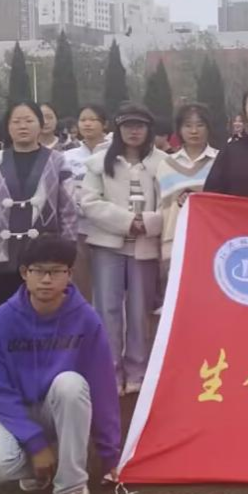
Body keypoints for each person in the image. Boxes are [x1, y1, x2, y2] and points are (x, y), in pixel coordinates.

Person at [0, 235, 121, 494]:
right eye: (38, 271)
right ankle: (48, 460)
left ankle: (72, 486)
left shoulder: (86, 319)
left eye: (56, 271)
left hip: (59, 409)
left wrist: (110, 454)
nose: (47, 280)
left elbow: (102, 387)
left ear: (69, 274)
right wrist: (35, 443)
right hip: (13, 413)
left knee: (71, 384)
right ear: (24, 273)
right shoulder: (0, 321)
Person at [80, 104, 166, 396]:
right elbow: (89, 202)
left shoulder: (163, 163)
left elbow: (170, 203)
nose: (134, 131)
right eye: (128, 126)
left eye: (140, 126)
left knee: (140, 310)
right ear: (118, 129)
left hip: (145, 246)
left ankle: (137, 370)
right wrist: (128, 222)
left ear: (149, 130)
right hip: (108, 245)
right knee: (107, 308)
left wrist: (149, 222)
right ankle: (110, 370)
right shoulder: (98, 163)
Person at [0, 102, 78, 318]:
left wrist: (68, 250)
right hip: (0, 254)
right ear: (8, 127)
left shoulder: (58, 161)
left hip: (46, 256)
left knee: (44, 317)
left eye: (29, 120)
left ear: (40, 124)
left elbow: (68, 209)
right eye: (16, 121)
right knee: (1, 316)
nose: (23, 126)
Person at [159, 104, 220, 292]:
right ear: (179, 129)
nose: (194, 131)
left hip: (211, 243)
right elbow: (160, 207)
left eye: (200, 125)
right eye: (188, 125)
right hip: (175, 242)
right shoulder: (165, 164)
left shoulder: (221, 161)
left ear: (209, 127)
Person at [61, 104, 110, 301]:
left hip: (107, 230)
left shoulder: (115, 153)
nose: (87, 124)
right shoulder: (67, 157)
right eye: (83, 120)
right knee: (81, 285)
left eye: (92, 119)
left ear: (104, 124)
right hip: (78, 230)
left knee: (108, 287)